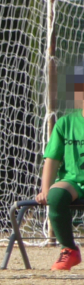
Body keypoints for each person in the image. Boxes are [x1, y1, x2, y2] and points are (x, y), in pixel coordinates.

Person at [35, 65, 84, 271]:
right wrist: (46, 190)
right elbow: (52, 159)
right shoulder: (65, 123)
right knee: (55, 196)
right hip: (73, 182)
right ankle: (69, 249)